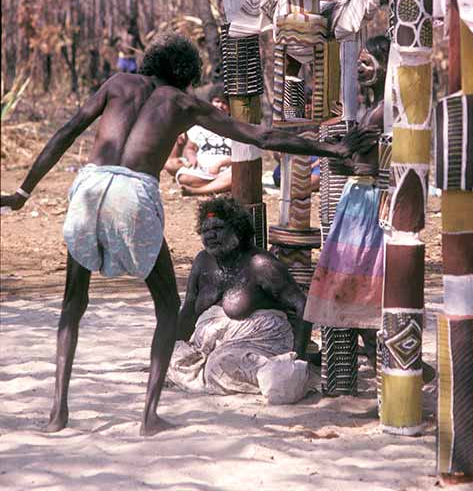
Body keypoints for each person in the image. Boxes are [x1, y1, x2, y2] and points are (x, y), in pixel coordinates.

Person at [0, 29, 359, 436]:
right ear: (187, 73)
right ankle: (149, 416)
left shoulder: (117, 83)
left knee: (73, 303)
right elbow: (261, 136)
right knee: (168, 306)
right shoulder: (184, 103)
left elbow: (66, 131)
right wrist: (334, 149)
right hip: (133, 196)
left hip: (90, 189)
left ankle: (57, 413)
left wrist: (23, 191)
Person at [167, 197, 312, 400]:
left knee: (219, 365)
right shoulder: (202, 261)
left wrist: (298, 357)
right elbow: (190, 308)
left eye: (218, 228)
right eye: (206, 230)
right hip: (212, 347)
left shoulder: (261, 265)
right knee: (172, 355)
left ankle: (268, 371)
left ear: (238, 229)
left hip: (260, 341)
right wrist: (172, 347)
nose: (211, 235)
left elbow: (302, 305)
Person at [304, 35, 391, 368]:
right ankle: (384, 366)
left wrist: (342, 155)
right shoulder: (372, 109)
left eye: (368, 63)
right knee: (349, 292)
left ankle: (396, 368)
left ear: (387, 68)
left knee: (354, 291)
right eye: (359, 63)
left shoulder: (383, 111)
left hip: (365, 203)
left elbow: (358, 162)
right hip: (356, 199)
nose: (361, 69)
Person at [171, 86, 233, 197]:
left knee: (236, 175)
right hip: (202, 170)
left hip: (225, 170)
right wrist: (192, 158)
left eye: (224, 103)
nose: (220, 106)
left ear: (229, 107)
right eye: (217, 101)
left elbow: (240, 156)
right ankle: (221, 187)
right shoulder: (201, 126)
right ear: (211, 103)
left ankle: (198, 191)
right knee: (183, 177)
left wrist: (220, 163)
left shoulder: (234, 127)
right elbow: (190, 148)